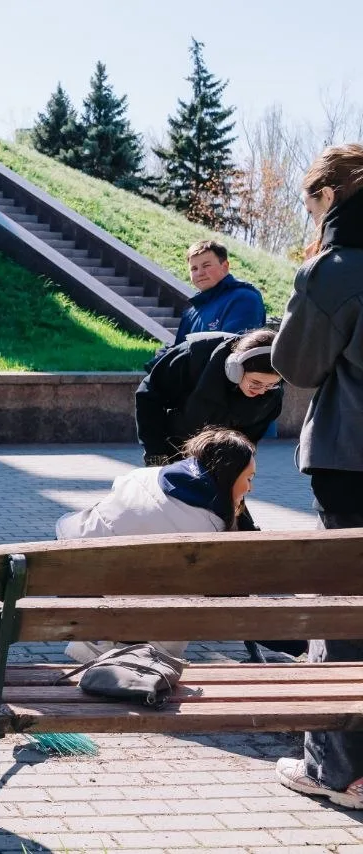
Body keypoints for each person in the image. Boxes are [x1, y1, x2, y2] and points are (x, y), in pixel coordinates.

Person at [270, 142, 363, 809]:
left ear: (329, 196)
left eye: (310, 204)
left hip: (350, 459)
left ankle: (339, 771)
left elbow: (295, 364)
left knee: (345, 614)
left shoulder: (335, 270)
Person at [56, 427, 256, 662]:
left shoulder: (143, 476)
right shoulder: (210, 531)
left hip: (77, 578)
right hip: (146, 628)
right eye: (249, 478)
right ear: (229, 476)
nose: (250, 488)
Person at [136, 327, 283, 467]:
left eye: (270, 384)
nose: (262, 391)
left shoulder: (273, 392)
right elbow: (149, 397)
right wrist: (155, 452)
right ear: (235, 370)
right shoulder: (194, 355)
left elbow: (249, 437)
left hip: (217, 456)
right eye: (256, 383)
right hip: (171, 444)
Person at [173, 239, 266, 345]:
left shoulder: (244, 299)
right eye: (194, 268)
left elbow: (232, 347)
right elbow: (177, 348)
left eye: (206, 265)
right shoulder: (192, 311)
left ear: (225, 266)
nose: (200, 273)